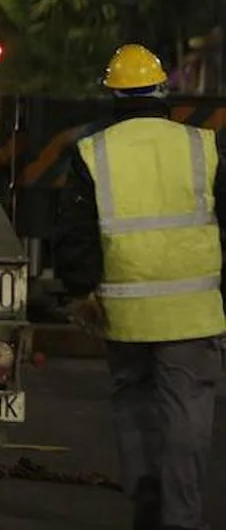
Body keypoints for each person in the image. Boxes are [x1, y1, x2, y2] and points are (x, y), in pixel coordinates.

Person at [52, 43, 226, 530]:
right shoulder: (202, 146)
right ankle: (181, 517)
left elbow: (75, 232)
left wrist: (81, 291)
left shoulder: (93, 153)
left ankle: (145, 492)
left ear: (113, 96)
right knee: (187, 412)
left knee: (132, 399)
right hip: (193, 314)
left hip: (125, 312)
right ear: (163, 91)